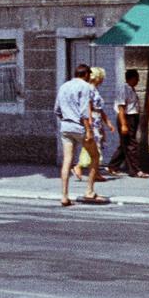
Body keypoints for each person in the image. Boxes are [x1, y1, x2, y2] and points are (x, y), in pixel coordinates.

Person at [54, 64, 106, 206]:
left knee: (67, 161)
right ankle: (89, 191)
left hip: (66, 126)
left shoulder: (64, 86)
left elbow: (57, 109)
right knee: (94, 156)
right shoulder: (85, 87)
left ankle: (64, 196)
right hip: (80, 127)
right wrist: (88, 130)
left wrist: (66, 119)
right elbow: (84, 111)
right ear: (87, 74)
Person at [109, 68, 146, 178]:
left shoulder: (131, 89)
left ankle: (112, 166)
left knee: (125, 144)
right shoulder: (124, 89)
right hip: (126, 118)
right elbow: (121, 107)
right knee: (131, 145)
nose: (138, 81)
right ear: (132, 78)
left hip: (132, 117)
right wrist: (124, 124)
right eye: (137, 78)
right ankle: (135, 170)